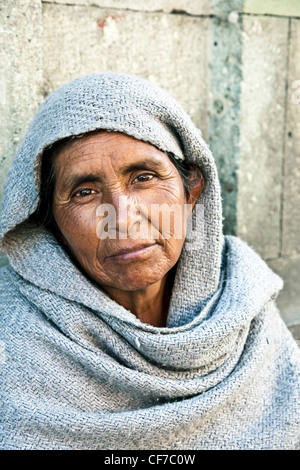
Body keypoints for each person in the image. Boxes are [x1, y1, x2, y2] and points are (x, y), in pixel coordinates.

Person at [0, 72, 299, 450]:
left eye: (143, 177)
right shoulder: (12, 343)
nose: (122, 217)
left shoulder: (243, 300)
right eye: (85, 192)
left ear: (192, 191)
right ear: (50, 224)